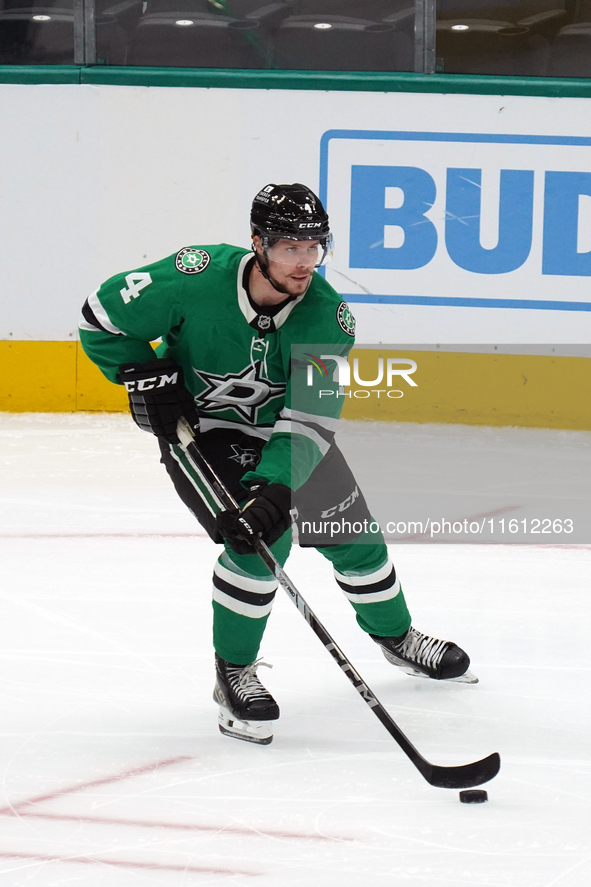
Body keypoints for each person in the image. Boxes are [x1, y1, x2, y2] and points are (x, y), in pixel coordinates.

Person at [79, 183, 475, 746]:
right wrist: (141, 373)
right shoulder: (194, 276)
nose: (305, 262)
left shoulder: (327, 319)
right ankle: (232, 671)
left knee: (355, 537)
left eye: (315, 247)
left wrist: (277, 486)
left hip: (283, 434)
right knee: (259, 543)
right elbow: (99, 317)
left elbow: (309, 421)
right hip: (204, 432)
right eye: (291, 247)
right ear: (258, 243)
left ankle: (397, 637)